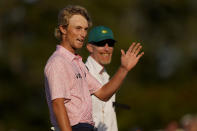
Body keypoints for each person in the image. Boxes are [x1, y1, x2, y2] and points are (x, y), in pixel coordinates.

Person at [44, 5, 144, 131]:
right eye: (78, 28)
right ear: (63, 29)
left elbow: (103, 94)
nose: (83, 34)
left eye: (85, 29)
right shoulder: (58, 61)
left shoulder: (77, 63)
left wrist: (124, 69)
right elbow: (58, 105)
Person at [85, 26, 118, 131]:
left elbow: (110, 119)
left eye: (110, 43)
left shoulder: (106, 76)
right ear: (90, 47)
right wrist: (124, 69)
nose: (107, 48)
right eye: (101, 43)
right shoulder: (82, 73)